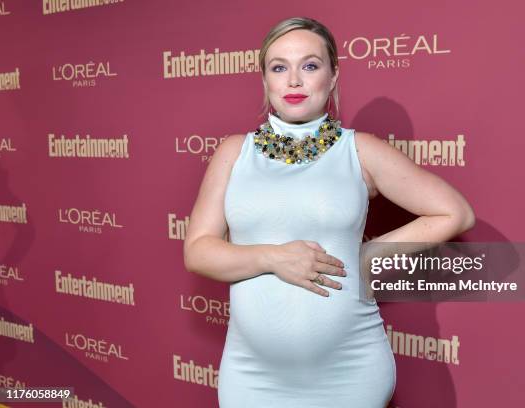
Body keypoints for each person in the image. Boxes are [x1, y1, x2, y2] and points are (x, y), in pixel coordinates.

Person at [183, 17, 475, 408]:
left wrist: (365, 258)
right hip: (252, 375)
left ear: (333, 76)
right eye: (279, 67)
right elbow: (198, 250)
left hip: (349, 371)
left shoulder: (359, 150)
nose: (294, 81)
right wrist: (273, 258)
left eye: (310, 65)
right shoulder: (235, 152)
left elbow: (454, 213)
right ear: (265, 80)